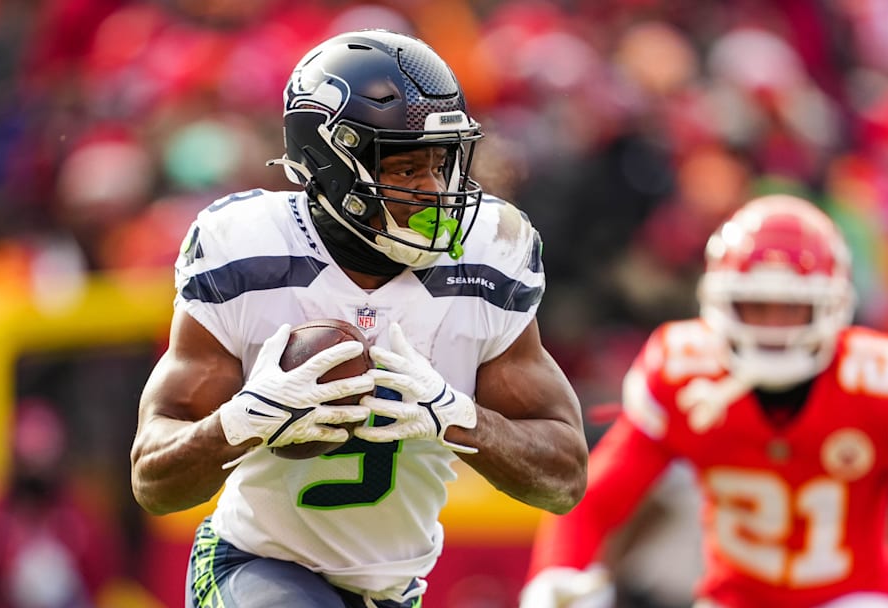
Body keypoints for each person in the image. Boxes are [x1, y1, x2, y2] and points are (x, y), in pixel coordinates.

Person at [129, 29, 588, 608]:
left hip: (392, 592)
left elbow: (565, 477)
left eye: (442, 164)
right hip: (254, 566)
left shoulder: (488, 257)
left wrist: (456, 417)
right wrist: (243, 421)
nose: (433, 192)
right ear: (330, 164)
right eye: (404, 169)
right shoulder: (246, 252)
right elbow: (153, 481)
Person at [521, 194, 888, 608]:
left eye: (790, 308)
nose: (771, 328)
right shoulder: (685, 372)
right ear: (718, 301)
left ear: (833, 306)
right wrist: (555, 576)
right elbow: (595, 503)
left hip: (853, 597)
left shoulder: (877, 382)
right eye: (754, 306)